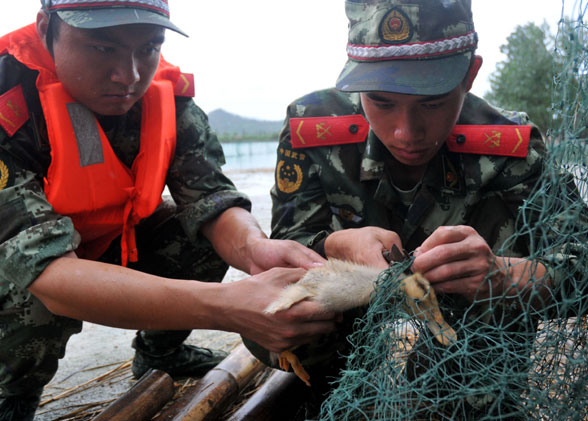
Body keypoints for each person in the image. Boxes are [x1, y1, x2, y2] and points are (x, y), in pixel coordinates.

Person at [244, 0, 588, 418]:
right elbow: (280, 254)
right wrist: (334, 244)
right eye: (382, 102)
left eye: (431, 103)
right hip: (343, 348)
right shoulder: (312, 130)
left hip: (468, 356)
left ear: (470, 73)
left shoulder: (511, 147)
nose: (405, 132)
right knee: (276, 312)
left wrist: (504, 277)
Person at [0, 1, 339, 419]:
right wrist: (227, 307)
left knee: (200, 237)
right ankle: (13, 394)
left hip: (100, 238)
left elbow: (210, 198)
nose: (129, 75)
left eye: (148, 47)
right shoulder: (7, 101)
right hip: (21, 258)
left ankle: (159, 355)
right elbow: (46, 272)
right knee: (29, 297)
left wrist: (254, 247)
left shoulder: (167, 95)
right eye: (102, 48)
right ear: (44, 26)